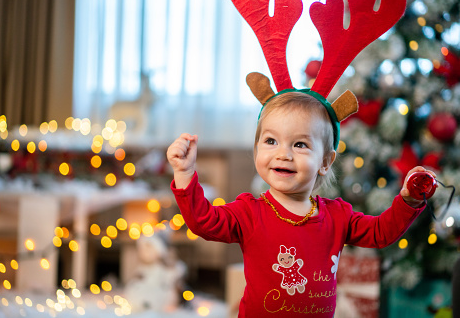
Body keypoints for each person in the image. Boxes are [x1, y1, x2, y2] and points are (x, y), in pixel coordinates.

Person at [167, 90, 433, 317]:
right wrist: (185, 174)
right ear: (257, 148)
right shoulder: (249, 212)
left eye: (300, 144)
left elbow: (380, 232)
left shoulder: (337, 215)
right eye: (271, 141)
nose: (283, 154)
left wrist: (408, 200)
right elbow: (203, 222)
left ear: (325, 162)